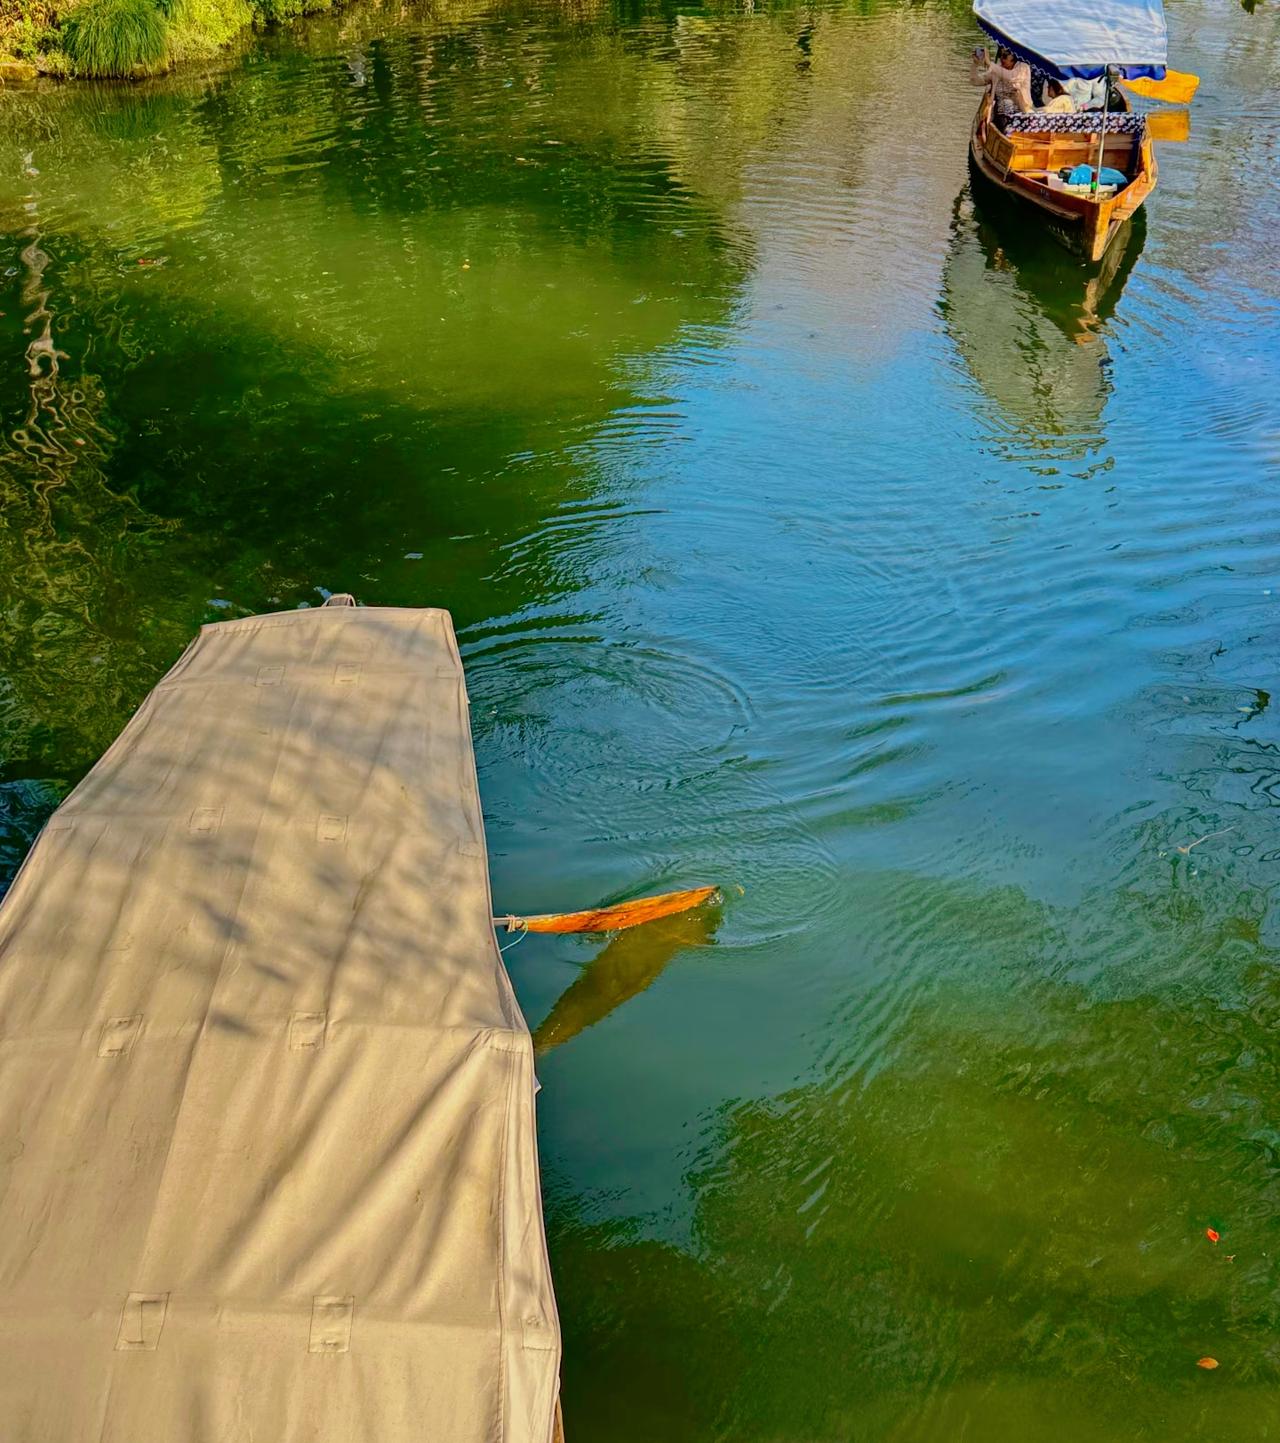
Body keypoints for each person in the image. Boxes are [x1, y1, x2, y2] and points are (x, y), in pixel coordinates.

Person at [971, 44, 1033, 126]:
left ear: (1014, 56)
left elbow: (1011, 76)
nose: (1001, 59)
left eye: (1005, 55)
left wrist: (989, 63)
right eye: (1000, 55)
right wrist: (975, 65)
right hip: (1000, 113)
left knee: (1007, 107)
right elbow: (975, 81)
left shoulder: (1023, 67)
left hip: (1021, 111)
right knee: (1002, 112)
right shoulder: (997, 70)